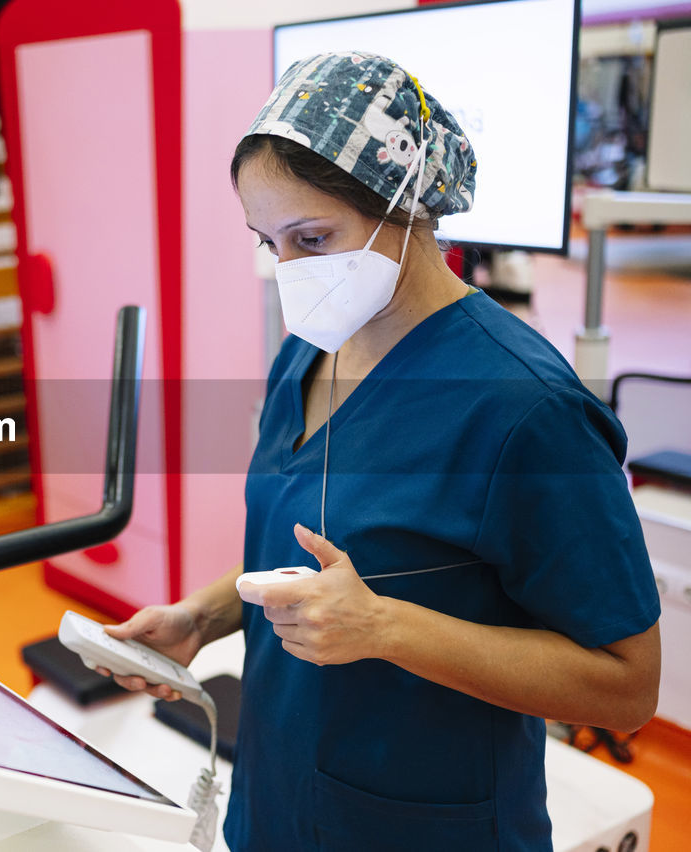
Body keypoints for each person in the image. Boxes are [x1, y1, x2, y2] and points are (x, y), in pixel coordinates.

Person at [101, 52, 661, 851]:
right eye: (270, 244)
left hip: (424, 822)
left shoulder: (526, 408)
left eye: (313, 237)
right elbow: (302, 554)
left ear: (407, 205)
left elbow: (627, 685)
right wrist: (203, 615)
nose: (290, 271)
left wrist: (385, 629)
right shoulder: (311, 353)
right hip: (282, 802)